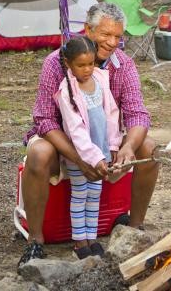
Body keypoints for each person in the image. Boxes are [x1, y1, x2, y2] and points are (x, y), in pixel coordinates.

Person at [18, 2, 157, 269]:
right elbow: (45, 120)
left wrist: (127, 147)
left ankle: (134, 230)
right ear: (88, 30)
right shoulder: (57, 62)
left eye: (118, 36)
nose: (112, 42)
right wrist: (80, 158)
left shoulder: (122, 65)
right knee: (38, 152)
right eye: (105, 34)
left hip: (105, 141)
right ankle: (35, 241)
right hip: (62, 142)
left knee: (147, 148)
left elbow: (138, 113)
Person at [55, 35, 122, 259]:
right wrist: (92, 158)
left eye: (90, 64)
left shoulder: (102, 79)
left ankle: (92, 238)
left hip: (101, 150)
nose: (86, 70)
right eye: (80, 65)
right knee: (80, 194)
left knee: (95, 195)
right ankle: (80, 241)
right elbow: (75, 130)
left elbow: (111, 113)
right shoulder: (67, 91)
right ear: (68, 64)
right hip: (80, 156)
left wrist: (112, 144)